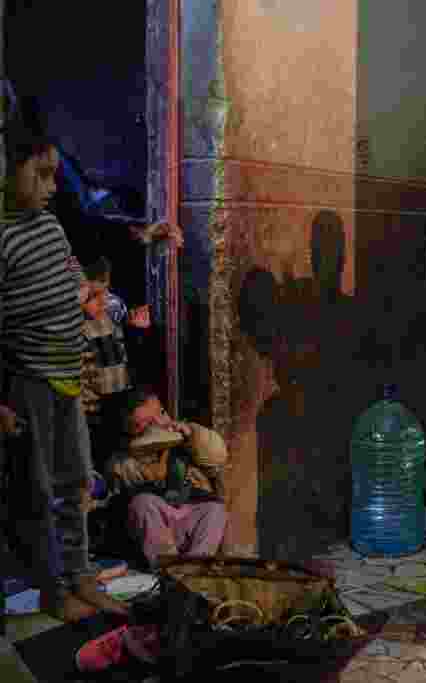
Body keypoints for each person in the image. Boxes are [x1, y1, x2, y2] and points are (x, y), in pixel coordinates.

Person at [0, 120, 130, 621]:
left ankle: (81, 577)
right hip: (28, 380)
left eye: (55, 175)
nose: (52, 186)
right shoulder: (4, 237)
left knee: (76, 483)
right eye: (42, 174)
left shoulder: (51, 227)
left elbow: (72, 272)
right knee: (38, 492)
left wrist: (85, 290)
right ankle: (53, 590)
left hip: (67, 377)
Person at [104, 388, 229, 568]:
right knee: (143, 504)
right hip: (158, 530)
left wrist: (192, 435)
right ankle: (168, 570)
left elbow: (216, 457)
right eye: (147, 423)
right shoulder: (122, 460)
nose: (160, 424)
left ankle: (195, 567)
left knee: (215, 510)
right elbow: (122, 473)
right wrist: (148, 454)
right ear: (130, 430)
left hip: (189, 516)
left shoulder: (185, 439)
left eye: (161, 413)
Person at [81, 255, 150, 420]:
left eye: (106, 292)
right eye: (94, 296)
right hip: (96, 413)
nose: (105, 302)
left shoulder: (107, 313)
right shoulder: (98, 324)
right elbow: (114, 386)